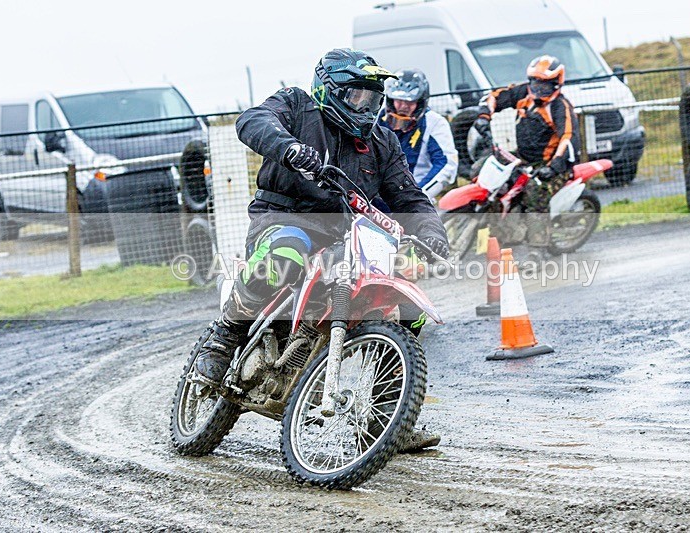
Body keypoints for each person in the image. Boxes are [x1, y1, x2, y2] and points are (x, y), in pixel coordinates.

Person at [193, 48, 449, 451]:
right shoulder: (296, 105)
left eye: (373, 98)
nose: (366, 106)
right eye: (357, 96)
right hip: (283, 220)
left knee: (407, 307)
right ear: (329, 90)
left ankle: (385, 421)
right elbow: (252, 121)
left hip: (346, 236)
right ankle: (224, 337)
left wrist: (433, 233)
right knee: (287, 253)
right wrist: (287, 147)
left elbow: (410, 197)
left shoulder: (382, 142)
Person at [473, 55, 580, 250]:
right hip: (523, 156)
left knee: (535, 193)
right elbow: (493, 97)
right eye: (535, 82)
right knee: (483, 170)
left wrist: (554, 167)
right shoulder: (523, 93)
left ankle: (537, 252)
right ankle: (494, 232)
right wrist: (483, 116)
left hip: (551, 163)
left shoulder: (560, 106)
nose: (538, 89)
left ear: (557, 85)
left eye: (544, 85)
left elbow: (568, 138)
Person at [379, 69, 458, 202]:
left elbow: (447, 164)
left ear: (420, 101)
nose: (403, 106)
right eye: (399, 100)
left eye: (410, 102)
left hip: (415, 193)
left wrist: (418, 195)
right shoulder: (379, 118)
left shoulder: (435, 122)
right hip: (376, 196)